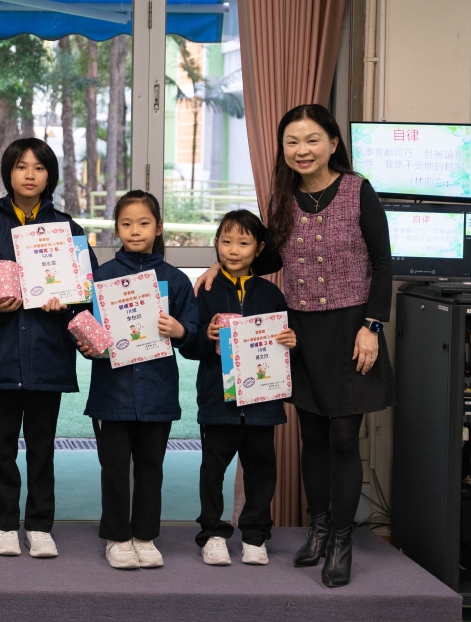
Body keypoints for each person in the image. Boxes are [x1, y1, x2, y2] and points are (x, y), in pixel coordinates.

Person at [196, 104, 393, 587]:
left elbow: (383, 262)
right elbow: (267, 256)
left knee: (343, 437)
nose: (302, 150)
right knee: (312, 437)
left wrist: (372, 325)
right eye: (292, 142)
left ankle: (342, 539)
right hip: (298, 331)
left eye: (311, 140)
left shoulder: (358, 190)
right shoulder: (282, 199)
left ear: (332, 143)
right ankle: (319, 529)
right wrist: (221, 266)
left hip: (351, 329)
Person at [0, 138, 95, 559]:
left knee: (42, 447)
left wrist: (66, 302)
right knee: (1, 446)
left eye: (39, 167)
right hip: (1, 355)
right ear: (8, 174)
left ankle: (39, 526)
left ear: (49, 175)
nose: (30, 174)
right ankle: (4, 524)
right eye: (21, 166)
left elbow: (87, 290)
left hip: (48, 356)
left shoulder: (68, 230)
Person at [80, 190, 199, 571]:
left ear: (158, 228)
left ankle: (145, 536)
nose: (135, 231)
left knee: (151, 468)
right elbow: (86, 329)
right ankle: (117, 537)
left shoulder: (175, 280)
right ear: (116, 229)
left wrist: (180, 330)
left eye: (144, 223)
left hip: (157, 392)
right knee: (114, 468)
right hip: (111, 393)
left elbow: (193, 332)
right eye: (127, 224)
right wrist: (87, 343)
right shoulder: (102, 277)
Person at [179, 210, 295, 567]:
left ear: (258, 248)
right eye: (226, 241)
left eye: (243, 243)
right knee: (212, 471)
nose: (233, 250)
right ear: (216, 243)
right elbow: (188, 346)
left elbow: (283, 347)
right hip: (218, 401)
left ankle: (255, 536)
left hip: (262, 404)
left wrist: (291, 342)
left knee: (261, 472)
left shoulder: (271, 294)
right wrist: (205, 335)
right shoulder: (206, 291)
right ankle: (212, 534)